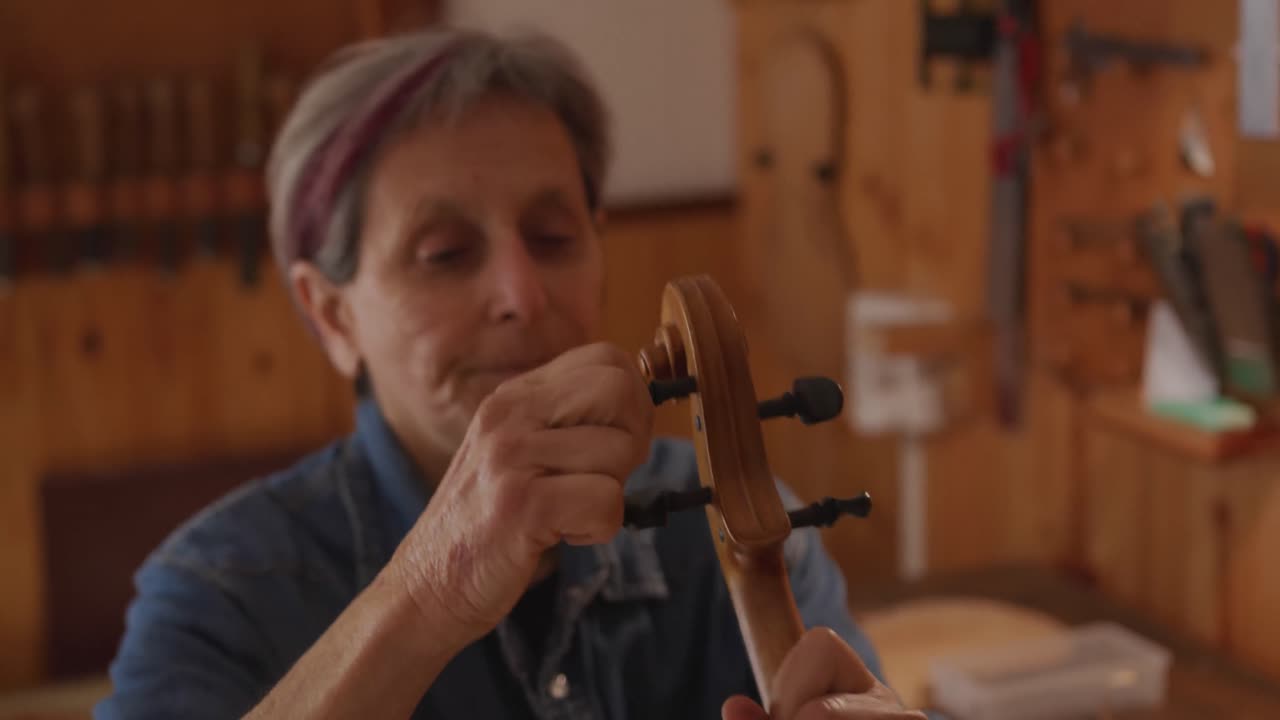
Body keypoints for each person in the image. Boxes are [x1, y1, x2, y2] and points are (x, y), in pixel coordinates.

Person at [96, 27, 923, 720]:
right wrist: (431, 591)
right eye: (446, 254)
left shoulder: (737, 535)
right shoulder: (218, 592)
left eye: (556, 237)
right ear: (332, 316)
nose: (523, 296)